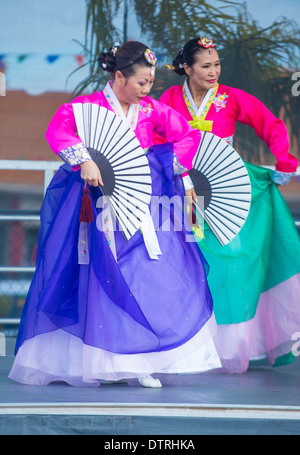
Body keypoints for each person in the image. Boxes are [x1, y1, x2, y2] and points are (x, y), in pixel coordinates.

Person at [9, 41, 221, 388]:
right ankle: (91, 361)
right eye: (141, 82)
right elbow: (57, 131)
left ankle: (138, 361)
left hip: (139, 208)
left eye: (151, 82)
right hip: (93, 209)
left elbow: (186, 134)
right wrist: (84, 159)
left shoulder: (151, 109)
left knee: (140, 279)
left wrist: (174, 168)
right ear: (119, 76)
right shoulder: (86, 107)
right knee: (91, 277)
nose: (147, 89)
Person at [155, 37, 300, 373]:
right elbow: (158, 135)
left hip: (224, 189)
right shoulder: (170, 98)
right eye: (205, 66)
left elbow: (271, 125)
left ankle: (231, 345)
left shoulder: (230, 98)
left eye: (216, 64)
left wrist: (283, 161)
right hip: (182, 188)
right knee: (187, 262)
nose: (214, 71)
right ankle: (187, 345)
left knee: (232, 262)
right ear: (187, 69)